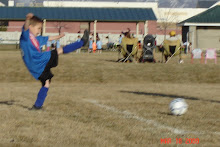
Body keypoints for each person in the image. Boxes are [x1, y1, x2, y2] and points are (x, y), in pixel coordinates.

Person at [19, 13, 89, 110]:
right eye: (38, 28)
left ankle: (37, 106)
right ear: (31, 26)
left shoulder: (36, 39)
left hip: (37, 66)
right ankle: (82, 42)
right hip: (39, 61)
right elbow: (26, 27)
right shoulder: (26, 37)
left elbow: (48, 38)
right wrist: (27, 19)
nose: (39, 31)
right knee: (59, 50)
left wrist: (59, 36)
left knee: (46, 82)